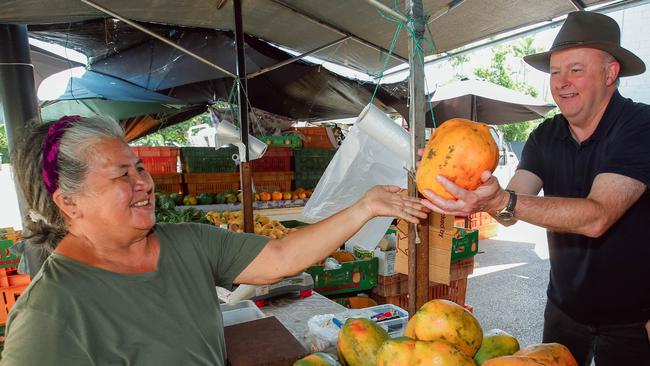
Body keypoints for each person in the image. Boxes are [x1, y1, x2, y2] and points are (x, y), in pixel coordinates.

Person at [0, 115, 429, 365]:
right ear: (69, 203)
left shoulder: (186, 243)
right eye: (122, 175)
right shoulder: (50, 314)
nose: (144, 183)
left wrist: (365, 207)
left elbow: (280, 256)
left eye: (140, 167)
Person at [420, 11, 650, 366]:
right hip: (564, 310)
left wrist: (503, 200)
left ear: (610, 72)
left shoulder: (639, 126)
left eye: (575, 69)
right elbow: (509, 207)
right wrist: (468, 185)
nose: (561, 82)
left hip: (632, 320)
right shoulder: (546, 135)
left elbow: (598, 216)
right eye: (555, 72)